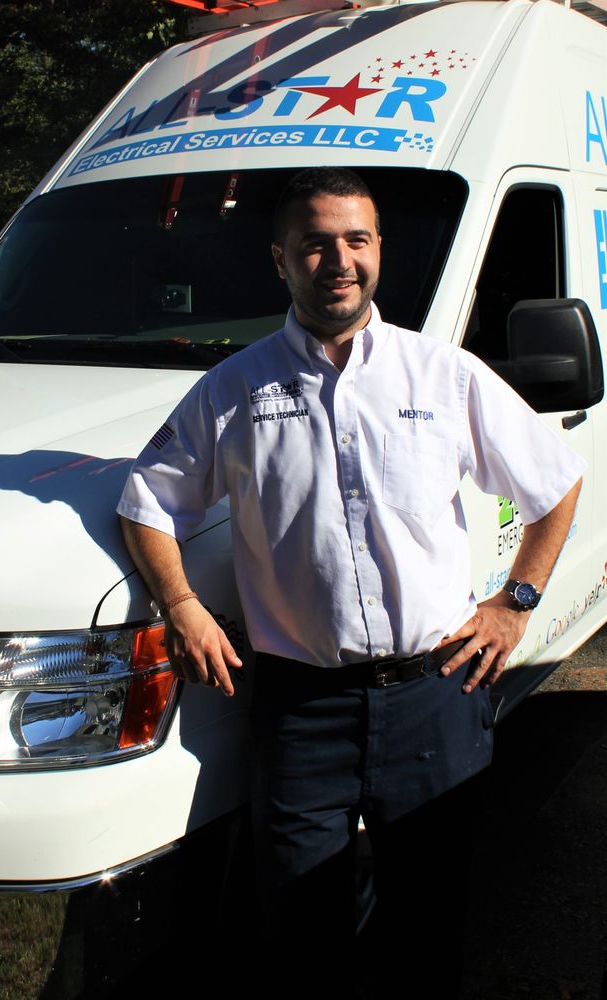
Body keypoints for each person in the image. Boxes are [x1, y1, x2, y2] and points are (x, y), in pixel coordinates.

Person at [117, 168, 584, 997]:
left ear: (378, 251)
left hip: (435, 693)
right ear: (281, 260)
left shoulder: (443, 375)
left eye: (356, 240)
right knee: (302, 933)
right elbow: (149, 499)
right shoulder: (233, 388)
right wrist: (180, 603)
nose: (339, 260)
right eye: (316, 244)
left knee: (428, 927)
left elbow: (555, 483)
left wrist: (516, 604)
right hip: (301, 711)